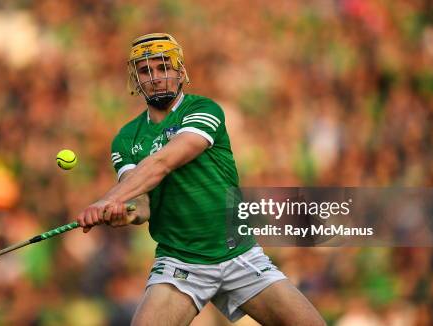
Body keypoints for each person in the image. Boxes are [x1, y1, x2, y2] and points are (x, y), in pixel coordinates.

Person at [75, 33, 325, 326]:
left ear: (180, 71)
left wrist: (109, 198)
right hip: (180, 262)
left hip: (237, 253)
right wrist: (124, 212)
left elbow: (163, 163)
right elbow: (141, 203)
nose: (155, 77)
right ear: (135, 79)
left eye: (163, 66)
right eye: (145, 70)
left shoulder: (204, 110)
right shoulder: (126, 139)